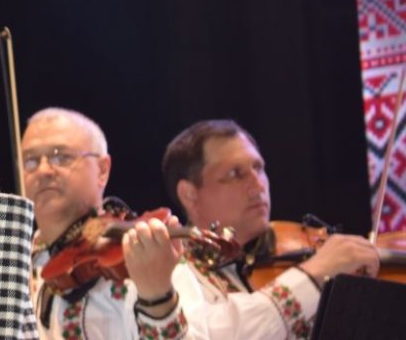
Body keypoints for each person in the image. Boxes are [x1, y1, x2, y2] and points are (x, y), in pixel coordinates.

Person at [162, 119, 380, 339]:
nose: (258, 186)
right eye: (235, 173)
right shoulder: (169, 272)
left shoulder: (275, 259)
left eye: (258, 168)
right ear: (189, 194)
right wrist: (312, 274)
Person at [22, 107, 190, 340]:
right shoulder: (15, 266)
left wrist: (158, 296)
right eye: (30, 161)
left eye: (61, 157)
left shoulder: (151, 253)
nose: (43, 170)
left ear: (102, 170)